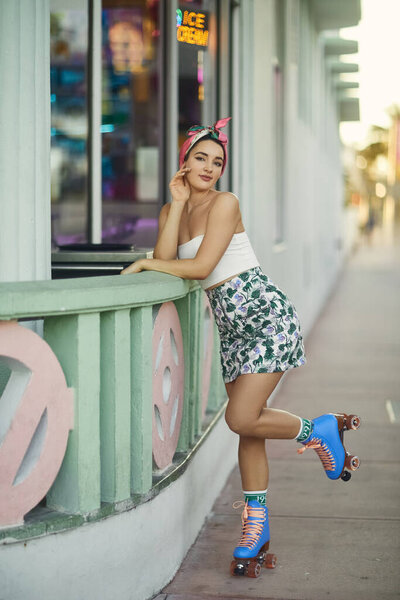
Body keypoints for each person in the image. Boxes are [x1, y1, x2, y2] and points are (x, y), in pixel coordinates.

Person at [121, 118, 360, 574]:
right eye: (201, 158)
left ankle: (321, 429)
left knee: (240, 417)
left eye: (217, 161)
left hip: (266, 317)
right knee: (250, 430)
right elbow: (170, 261)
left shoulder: (226, 203)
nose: (210, 167)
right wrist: (174, 207)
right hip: (233, 331)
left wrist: (146, 261)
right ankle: (256, 529)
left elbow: (199, 267)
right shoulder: (175, 209)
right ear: (184, 162)